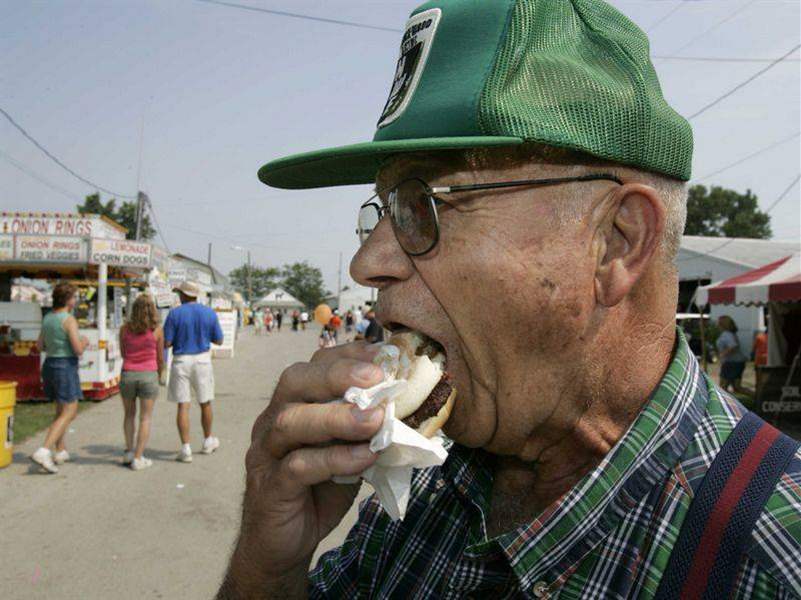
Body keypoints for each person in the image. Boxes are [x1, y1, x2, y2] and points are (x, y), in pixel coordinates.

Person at [219, 2, 801, 597]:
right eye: (383, 211)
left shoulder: (773, 565)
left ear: (616, 242)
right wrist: (269, 565)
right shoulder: (430, 474)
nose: (366, 264)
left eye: (426, 204)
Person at [31, 283, 89, 474]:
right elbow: (77, 349)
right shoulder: (69, 320)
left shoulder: (48, 318)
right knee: (70, 410)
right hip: (66, 366)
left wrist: (54, 345)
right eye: (74, 297)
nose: (76, 300)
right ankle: (44, 449)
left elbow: (39, 346)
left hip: (49, 364)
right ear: (68, 300)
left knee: (60, 407)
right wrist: (84, 342)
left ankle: (60, 449)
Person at [164, 281, 224, 463]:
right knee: (205, 402)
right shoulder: (208, 313)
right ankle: (207, 440)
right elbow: (219, 340)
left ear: (183, 295)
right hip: (202, 359)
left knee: (183, 404)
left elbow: (166, 343)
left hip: (182, 359)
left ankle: (186, 448)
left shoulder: (175, 313)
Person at [119, 293, 165, 471]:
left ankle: (129, 451)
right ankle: (138, 457)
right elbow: (160, 358)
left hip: (128, 373)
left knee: (129, 415)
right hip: (148, 374)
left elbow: (123, 353)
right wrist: (159, 373)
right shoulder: (157, 330)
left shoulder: (125, 329)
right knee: (145, 418)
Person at [716, 315, 751, 395]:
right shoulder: (730, 334)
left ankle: (757, 397)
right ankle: (756, 397)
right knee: (736, 387)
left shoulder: (727, 334)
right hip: (736, 362)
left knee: (723, 387)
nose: (717, 324)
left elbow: (733, 346)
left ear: (722, 324)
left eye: (718, 322)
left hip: (731, 363)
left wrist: (722, 354)